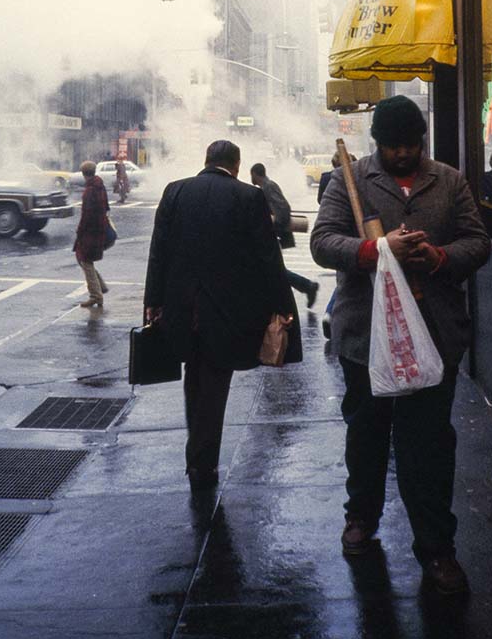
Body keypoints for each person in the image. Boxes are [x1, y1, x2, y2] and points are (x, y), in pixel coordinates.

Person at [311, 95, 490, 596]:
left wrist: (437, 256)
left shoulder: (449, 181)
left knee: (428, 446)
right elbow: (323, 242)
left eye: (411, 146)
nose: (403, 154)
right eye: (393, 147)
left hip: (434, 333)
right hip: (366, 338)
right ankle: (360, 519)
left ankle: (437, 549)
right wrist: (376, 249)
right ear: (378, 145)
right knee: (366, 434)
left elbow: (477, 242)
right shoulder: (350, 181)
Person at [145, 140, 302, 490]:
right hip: (228, 310)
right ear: (236, 164)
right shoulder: (248, 197)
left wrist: (153, 301)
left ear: (206, 160)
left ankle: (197, 456)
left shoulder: (175, 191)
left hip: (182, 309)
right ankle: (203, 463)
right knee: (215, 383)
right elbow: (267, 258)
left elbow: (159, 252)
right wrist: (282, 305)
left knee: (194, 380)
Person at [250, 162, 319, 309]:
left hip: (274, 234)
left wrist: (273, 226)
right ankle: (306, 287)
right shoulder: (266, 186)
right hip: (274, 234)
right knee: (273, 269)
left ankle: (307, 286)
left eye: (252, 175)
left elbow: (282, 208)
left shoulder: (268, 187)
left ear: (255, 174)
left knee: (273, 269)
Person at [73, 160, 111, 309]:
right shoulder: (100, 185)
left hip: (90, 232)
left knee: (85, 261)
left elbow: (86, 215)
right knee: (85, 260)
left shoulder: (89, 191)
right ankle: (100, 287)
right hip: (99, 229)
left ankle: (96, 296)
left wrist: (80, 230)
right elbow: (107, 206)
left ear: (84, 174)